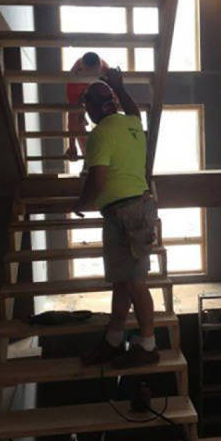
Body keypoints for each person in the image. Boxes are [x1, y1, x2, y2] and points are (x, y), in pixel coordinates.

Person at [73, 68, 159, 369]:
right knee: (123, 281)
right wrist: (119, 87)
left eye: (86, 106)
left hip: (126, 213)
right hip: (129, 210)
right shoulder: (132, 123)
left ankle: (148, 346)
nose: (85, 112)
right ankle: (113, 340)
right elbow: (134, 111)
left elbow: (97, 180)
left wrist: (80, 202)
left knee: (135, 283)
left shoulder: (99, 134)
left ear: (93, 107)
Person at [64, 52, 109, 162]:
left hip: (100, 97)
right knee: (78, 121)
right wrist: (72, 146)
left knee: (108, 121)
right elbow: (72, 116)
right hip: (81, 96)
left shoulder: (106, 73)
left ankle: (102, 157)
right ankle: (89, 159)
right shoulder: (74, 80)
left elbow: (113, 108)